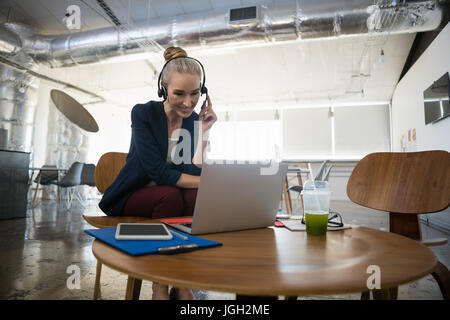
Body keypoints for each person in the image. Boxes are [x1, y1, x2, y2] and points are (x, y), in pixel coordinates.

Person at [98, 46, 217, 300]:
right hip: (135, 193)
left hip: (170, 192)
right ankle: (159, 281)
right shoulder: (143, 113)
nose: (188, 102)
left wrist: (204, 131)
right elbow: (158, 172)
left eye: (195, 93)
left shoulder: (192, 120)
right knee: (171, 196)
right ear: (163, 87)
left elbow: (193, 166)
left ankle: (182, 277)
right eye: (179, 94)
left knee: (197, 199)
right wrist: (208, 183)